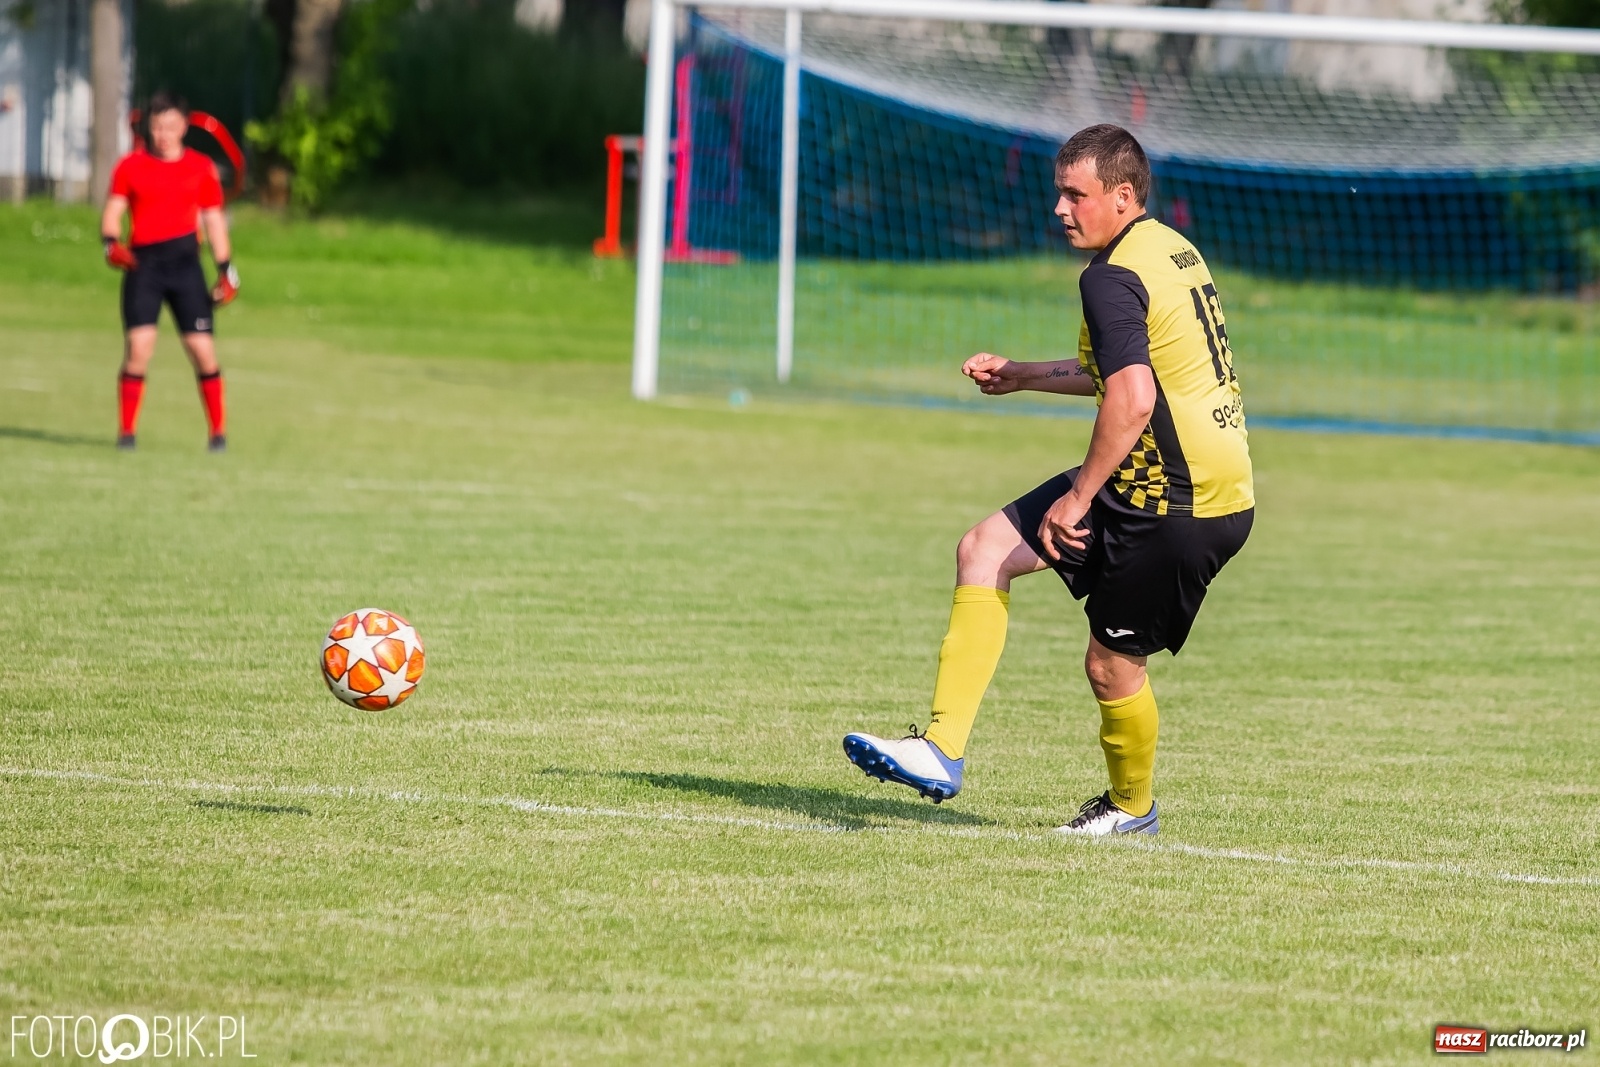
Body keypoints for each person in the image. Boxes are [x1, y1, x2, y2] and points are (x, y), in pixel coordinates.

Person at [843, 125, 1254, 836]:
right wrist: (1024, 375)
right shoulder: (1167, 249)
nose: (1060, 209)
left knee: (1111, 665)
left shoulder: (1110, 276)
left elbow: (1133, 399)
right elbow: (1128, 374)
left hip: (1178, 500)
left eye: (1076, 195)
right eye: (1058, 192)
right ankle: (940, 749)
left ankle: (1131, 809)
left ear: (1122, 196)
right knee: (984, 549)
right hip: (1171, 477)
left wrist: (1080, 496)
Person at [101, 91, 240, 452]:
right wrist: (111, 243)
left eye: (171, 127)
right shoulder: (130, 166)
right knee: (139, 347)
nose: (163, 134)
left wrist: (226, 269)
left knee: (202, 350)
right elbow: (114, 212)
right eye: (157, 126)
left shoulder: (200, 168)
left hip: (185, 267)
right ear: (149, 126)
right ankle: (127, 433)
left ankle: (218, 433)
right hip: (144, 266)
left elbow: (213, 222)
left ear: (184, 128)